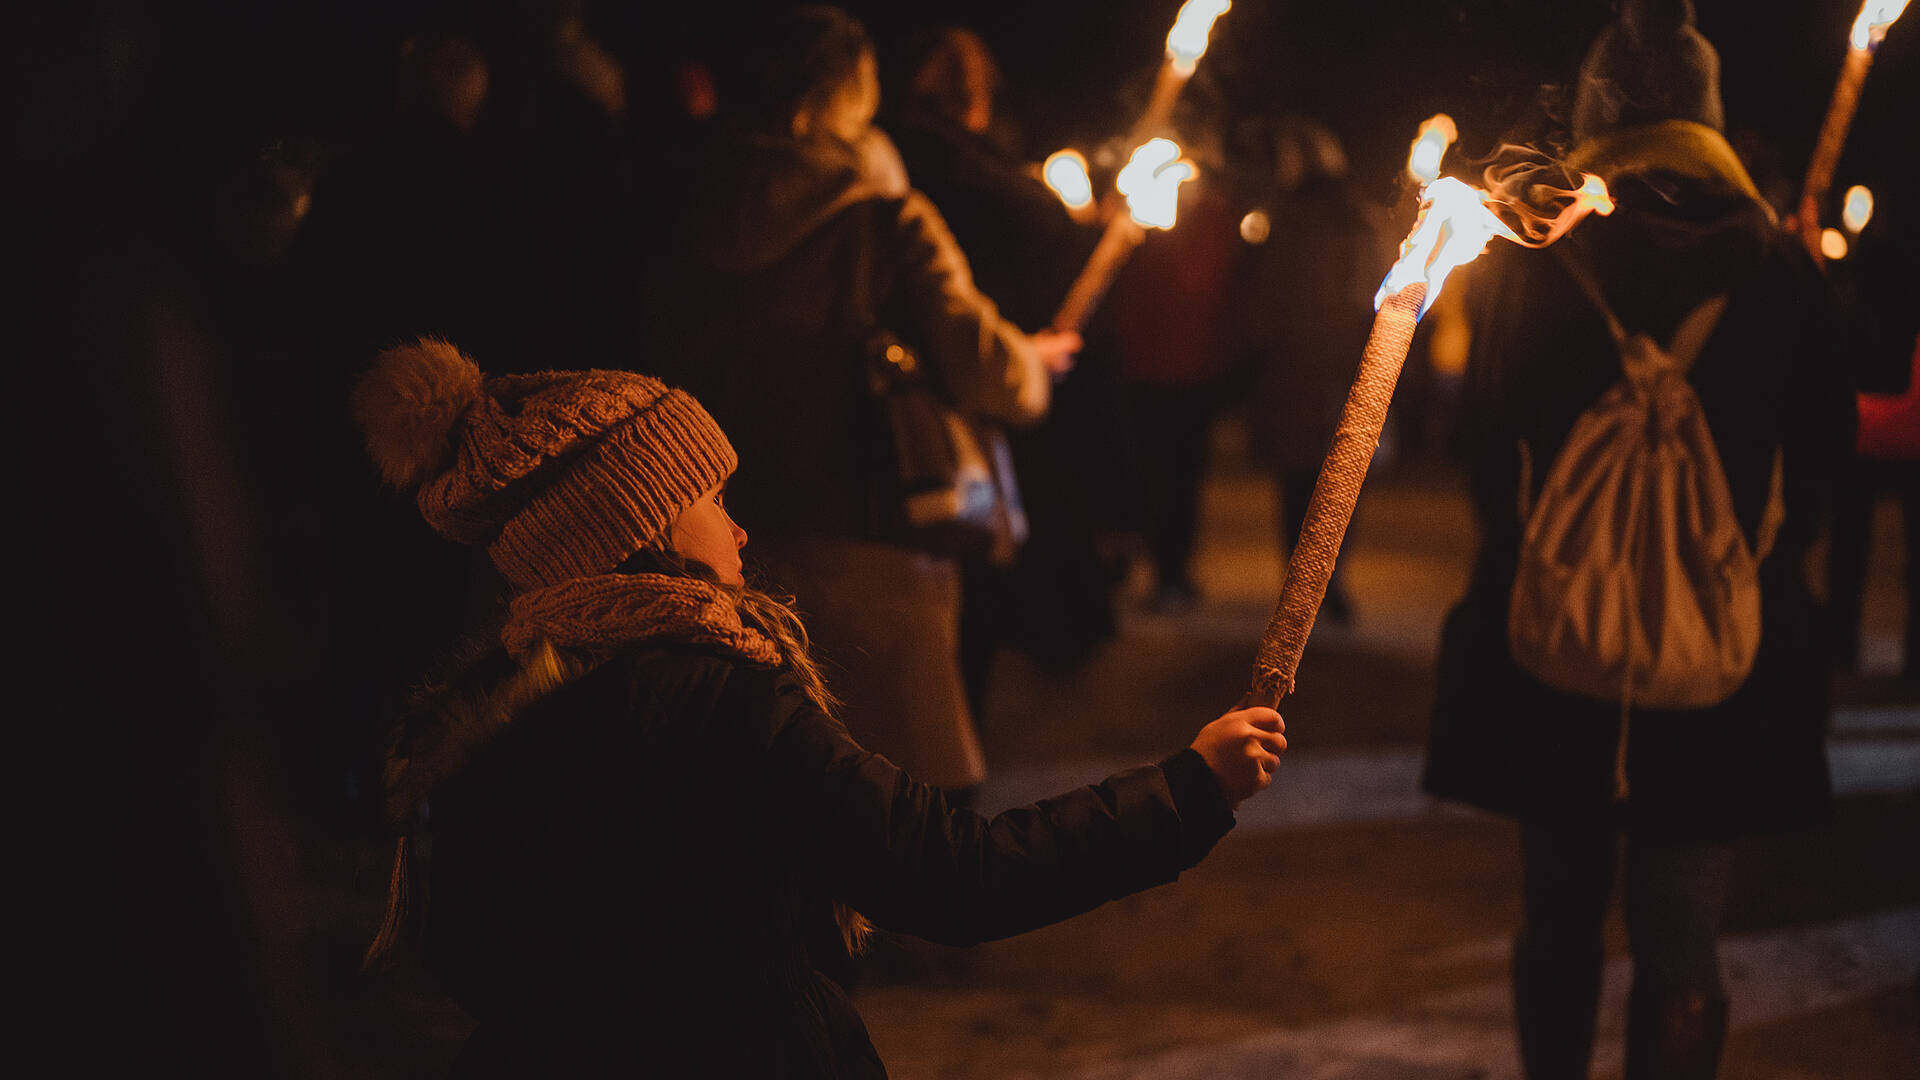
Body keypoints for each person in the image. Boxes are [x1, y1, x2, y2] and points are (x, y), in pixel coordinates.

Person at [353, 338, 1286, 1077]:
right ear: (640, 526)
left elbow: (471, 962)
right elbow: (951, 874)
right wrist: (1188, 788)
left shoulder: (476, 724)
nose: (742, 527)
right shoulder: (719, 705)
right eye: (713, 499)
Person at [1420, 2, 1854, 1076]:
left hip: (1552, 636)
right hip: (1722, 644)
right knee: (1682, 931)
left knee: (1557, 914)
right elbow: (1828, 456)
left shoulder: (1534, 259)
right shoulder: (1782, 272)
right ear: (1707, 120)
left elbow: (1481, 440)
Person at [637, 6, 1079, 804]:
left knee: (765, 790)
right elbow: (985, 367)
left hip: (720, 537)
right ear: (856, 90)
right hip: (869, 536)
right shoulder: (884, 219)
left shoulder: (680, 210)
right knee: (896, 800)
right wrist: (1033, 362)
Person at [1231, 113, 1394, 626]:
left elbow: (1266, 302)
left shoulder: (1302, 220)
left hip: (1320, 371)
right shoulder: (1339, 219)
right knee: (1329, 478)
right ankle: (1321, 587)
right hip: (1328, 371)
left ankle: (1313, 587)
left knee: (1310, 480)